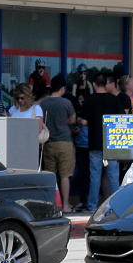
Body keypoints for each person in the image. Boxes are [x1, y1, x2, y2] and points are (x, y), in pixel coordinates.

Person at [81, 73, 125, 212]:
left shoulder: (89, 100)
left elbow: (84, 121)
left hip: (95, 143)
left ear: (94, 84)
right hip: (112, 143)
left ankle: (93, 206)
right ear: (106, 84)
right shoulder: (114, 99)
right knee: (113, 176)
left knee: (95, 176)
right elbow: (122, 119)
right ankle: (116, 206)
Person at [40, 75, 76, 212]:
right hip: (64, 142)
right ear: (62, 89)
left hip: (48, 142)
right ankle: (66, 205)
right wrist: (64, 122)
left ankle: (51, 205)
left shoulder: (43, 103)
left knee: (50, 176)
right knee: (65, 175)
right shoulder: (66, 103)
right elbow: (73, 119)